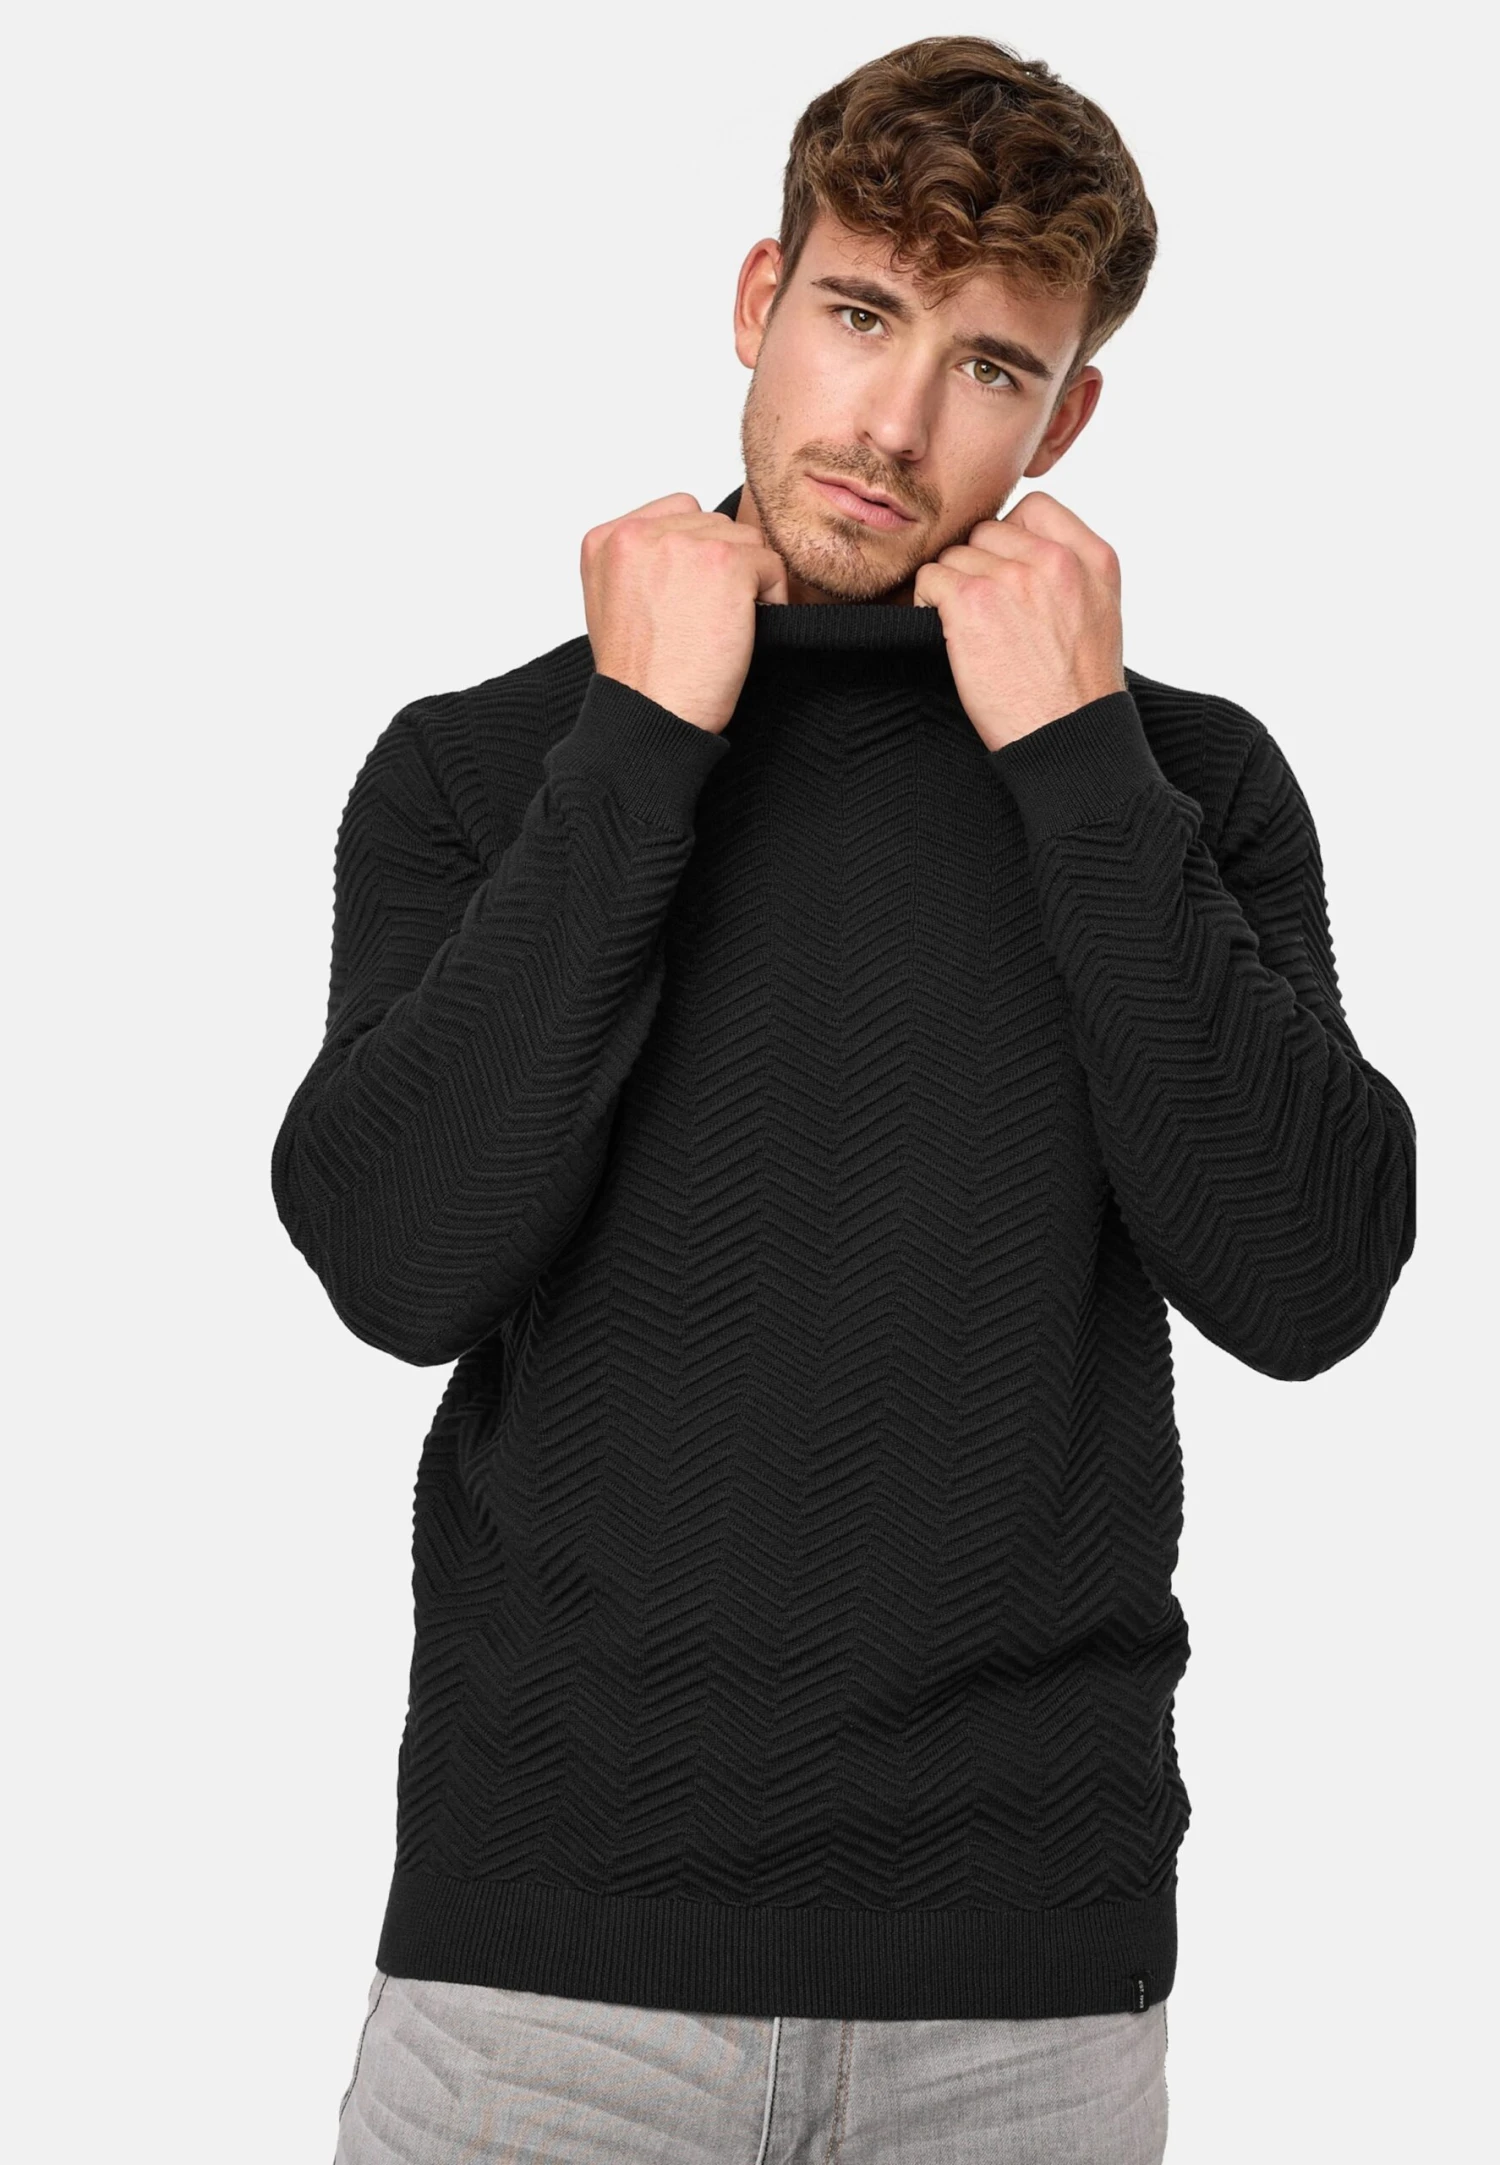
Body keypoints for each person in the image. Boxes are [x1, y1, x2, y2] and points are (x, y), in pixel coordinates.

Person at [272, 33, 1417, 2164]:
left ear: (1067, 419)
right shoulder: (488, 764)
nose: (892, 423)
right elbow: (399, 1264)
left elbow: (1307, 1282)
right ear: (757, 301)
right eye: (861, 314)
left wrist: (1079, 766)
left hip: (1023, 1996)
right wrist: (639, 745)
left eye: (988, 366)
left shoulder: (1181, 783)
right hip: (546, 1974)